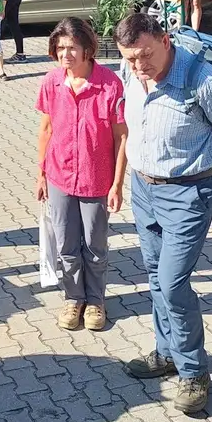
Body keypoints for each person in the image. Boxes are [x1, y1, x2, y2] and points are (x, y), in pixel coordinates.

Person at [115, 12, 212, 414]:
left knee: (173, 283)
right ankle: (165, 353)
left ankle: (194, 373)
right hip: (145, 188)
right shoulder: (131, 73)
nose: (140, 66)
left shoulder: (205, 81)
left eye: (145, 55)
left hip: (190, 191)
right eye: (130, 59)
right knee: (155, 276)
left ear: (165, 39)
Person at [35, 18, 127, 331]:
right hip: (60, 175)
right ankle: (74, 298)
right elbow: (46, 128)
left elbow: (121, 137)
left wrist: (117, 183)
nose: (66, 54)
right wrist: (41, 174)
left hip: (97, 178)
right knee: (66, 245)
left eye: (72, 47)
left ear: (87, 48)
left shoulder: (110, 83)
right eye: (60, 48)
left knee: (94, 244)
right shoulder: (51, 83)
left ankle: (96, 301)